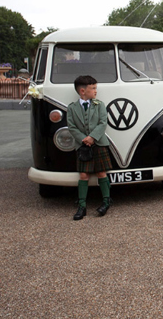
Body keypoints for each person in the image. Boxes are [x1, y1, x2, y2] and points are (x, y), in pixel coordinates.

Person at [66, 75, 113, 220]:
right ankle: (82, 206)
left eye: (95, 88)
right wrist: (83, 139)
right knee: (83, 175)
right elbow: (71, 127)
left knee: (101, 173)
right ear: (82, 91)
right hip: (82, 146)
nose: (95, 91)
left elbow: (103, 122)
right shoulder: (72, 108)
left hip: (98, 143)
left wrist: (92, 137)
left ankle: (106, 202)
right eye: (93, 88)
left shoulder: (100, 105)